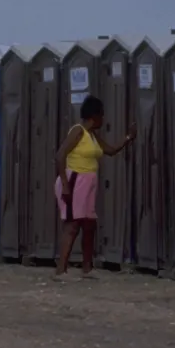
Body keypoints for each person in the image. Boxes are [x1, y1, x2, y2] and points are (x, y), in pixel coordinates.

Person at [53, 95, 136, 280]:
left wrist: (129, 137)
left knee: (90, 225)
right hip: (74, 181)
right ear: (94, 116)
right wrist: (66, 186)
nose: (103, 119)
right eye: (102, 115)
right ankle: (60, 271)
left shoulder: (92, 135)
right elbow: (60, 156)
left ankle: (87, 269)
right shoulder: (78, 131)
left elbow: (111, 151)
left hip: (88, 184)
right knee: (72, 225)